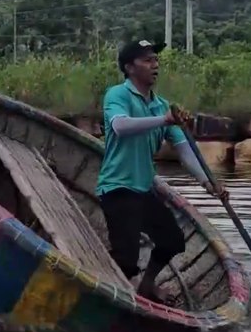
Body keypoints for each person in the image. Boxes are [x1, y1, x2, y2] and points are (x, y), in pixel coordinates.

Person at [96, 39, 229, 302]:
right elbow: (120, 126)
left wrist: (208, 182)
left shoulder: (162, 105)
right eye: (147, 60)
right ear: (129, 67)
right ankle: (109, 288)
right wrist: (164, 120)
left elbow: (184, 150)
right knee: (127, 260)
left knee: (173, 241)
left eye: (156, 60)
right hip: (117, 188)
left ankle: (146, 286)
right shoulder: (117, 95)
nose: (155, 65)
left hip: (143, 189)